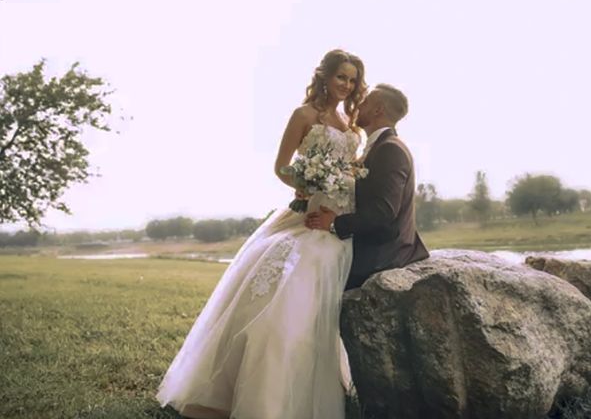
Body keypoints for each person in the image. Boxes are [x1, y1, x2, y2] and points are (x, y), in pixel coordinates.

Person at [156, 49, 367, 419]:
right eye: (341, 77)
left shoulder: (351, 123)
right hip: (306, 216)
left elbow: (353, 171)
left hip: (339, 222)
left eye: (352, 79)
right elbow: (281, 167)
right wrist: (305, 182)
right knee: (282, 292)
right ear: (325, 77)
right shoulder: (303, 115)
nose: (346, 85)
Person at [305, 83, 429, 289]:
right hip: (378, 245)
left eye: (365, 102)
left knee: (309, 272)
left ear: (378, 109)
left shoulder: (389, 149)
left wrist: (335, 224)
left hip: (383, 255)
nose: (358, 106)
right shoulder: (380, 147)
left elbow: (383, 213)